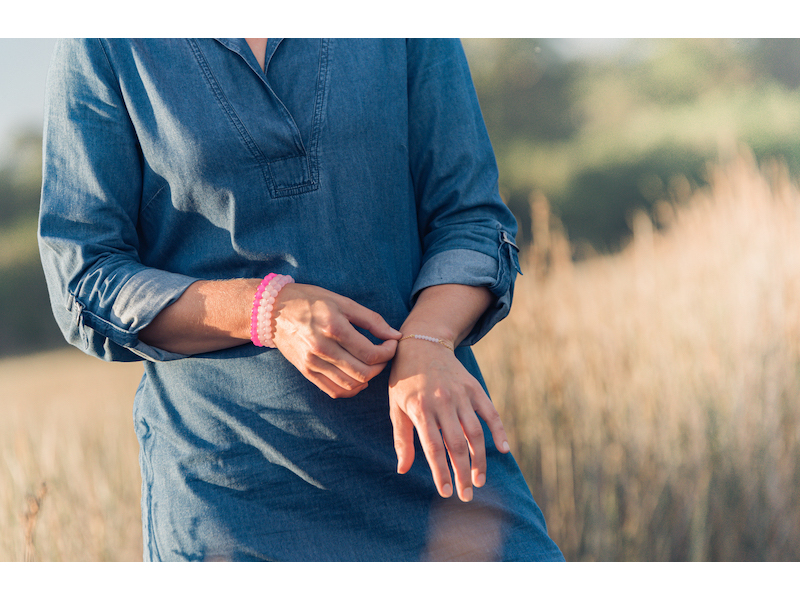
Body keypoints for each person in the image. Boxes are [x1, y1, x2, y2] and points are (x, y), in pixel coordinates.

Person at [38, 38, 564, 561]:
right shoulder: (103, 40)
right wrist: (267, 310)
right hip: (233, 491)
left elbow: (470, 220)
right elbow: (84, 276)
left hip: (438, 463)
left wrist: (429, 342)